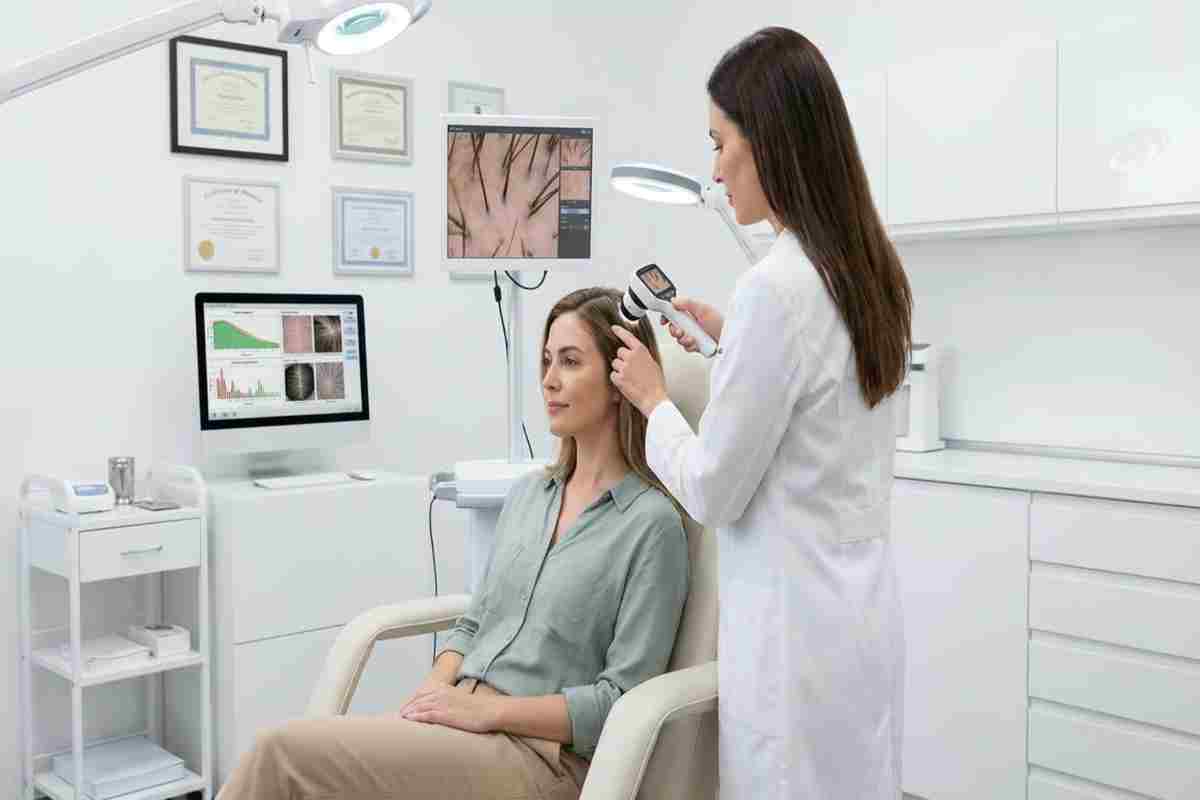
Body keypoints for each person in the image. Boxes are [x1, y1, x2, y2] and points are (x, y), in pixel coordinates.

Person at [218, 287, 689, 800]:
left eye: (571, 362)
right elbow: (474, 624)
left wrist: (490, 711)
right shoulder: (530, 495)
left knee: (280, 754)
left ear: (620, 381)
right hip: (460, 722)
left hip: (539, 758)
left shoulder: (650, 525)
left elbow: (620, 702)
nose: (549, 380)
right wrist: (433, 692)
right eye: (546, 360)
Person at [609, 26, 913, 800]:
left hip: (791, 644)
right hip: (857, 624)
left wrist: (652, 401)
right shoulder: (867, 271)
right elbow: (815, 418)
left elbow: (714, 491)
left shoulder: (774, 289)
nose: (715, 170)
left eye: (721, 144)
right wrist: (730, 346)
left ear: (770, 141)